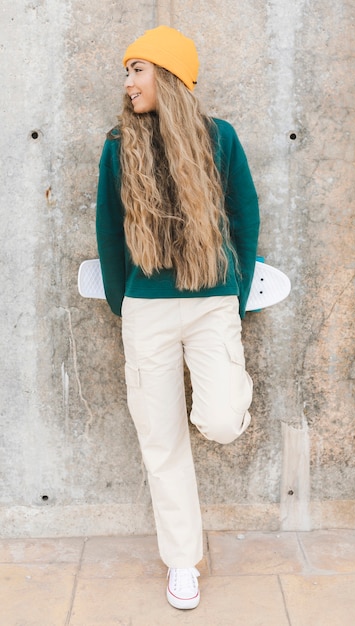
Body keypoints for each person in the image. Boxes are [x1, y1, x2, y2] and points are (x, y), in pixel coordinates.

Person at [96, 25, 260, 610]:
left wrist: (231, 300)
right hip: (147, 312)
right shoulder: (120, 145)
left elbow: (244, 219)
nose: (128, 81)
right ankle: (183, 562)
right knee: (161, 442)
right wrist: (127, 305)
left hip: (211, 300)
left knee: (217, 419)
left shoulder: (221, 140)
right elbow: (110, 236)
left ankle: (230, 391)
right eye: (126, 71)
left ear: (168, 75)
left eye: (137, 69)